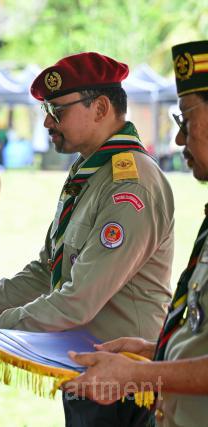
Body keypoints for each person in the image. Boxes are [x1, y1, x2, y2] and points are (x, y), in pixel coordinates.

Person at [0, 52, 175, 426]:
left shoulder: (129, 184)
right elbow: (45, 273)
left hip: (125, 383)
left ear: (100, 108)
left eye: (57, 111)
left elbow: (76, 301)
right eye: (46, 110)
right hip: (87, 371)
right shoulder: (91, 172)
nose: (47, 121)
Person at [63, 40, 208, 427]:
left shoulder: (132, 179)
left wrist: (140, 373)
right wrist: (154, 352)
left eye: (186, 120)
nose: (180, 139)